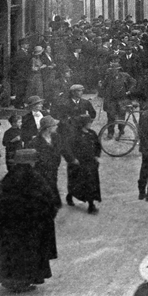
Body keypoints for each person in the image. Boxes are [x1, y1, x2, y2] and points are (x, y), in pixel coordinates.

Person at [0, 149, 59, 294]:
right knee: (28, 255)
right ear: (30, 162)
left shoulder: (10, 176)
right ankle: (22, 283)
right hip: (30, 226)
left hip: (10, 225)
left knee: (11, 254)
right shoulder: (34, 177)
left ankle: (10, 281)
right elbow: (47, 198)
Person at [26, 116, 68, 208]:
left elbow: (61, 150)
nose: (57, 127)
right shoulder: (35, 142)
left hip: (53, 167)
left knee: (52, 183)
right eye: (54, 125)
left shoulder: (56, 137)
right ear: (48, 128)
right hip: (41, 169)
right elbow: (31, 158)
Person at [65, 114, 102, 214]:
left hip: (91, 163)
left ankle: (91, 205)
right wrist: (73, 159)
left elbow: (98, 145)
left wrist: (97, 156)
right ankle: (70, 195)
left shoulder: (92, 133)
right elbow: (67, 149)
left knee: (91, 184)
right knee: (78, 183)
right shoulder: (74, 135)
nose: (90, 124)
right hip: (79, 163)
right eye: (88, 122)